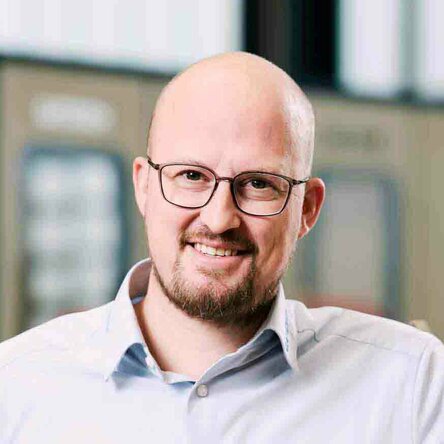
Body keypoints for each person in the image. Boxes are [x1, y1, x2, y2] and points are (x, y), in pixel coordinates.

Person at [0, 52, 442, 443]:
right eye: (191, 176)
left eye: (258, 184)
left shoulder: (413, 386)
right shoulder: (17, 388)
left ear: (307, 209)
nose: (218, 219)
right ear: (144, 187)